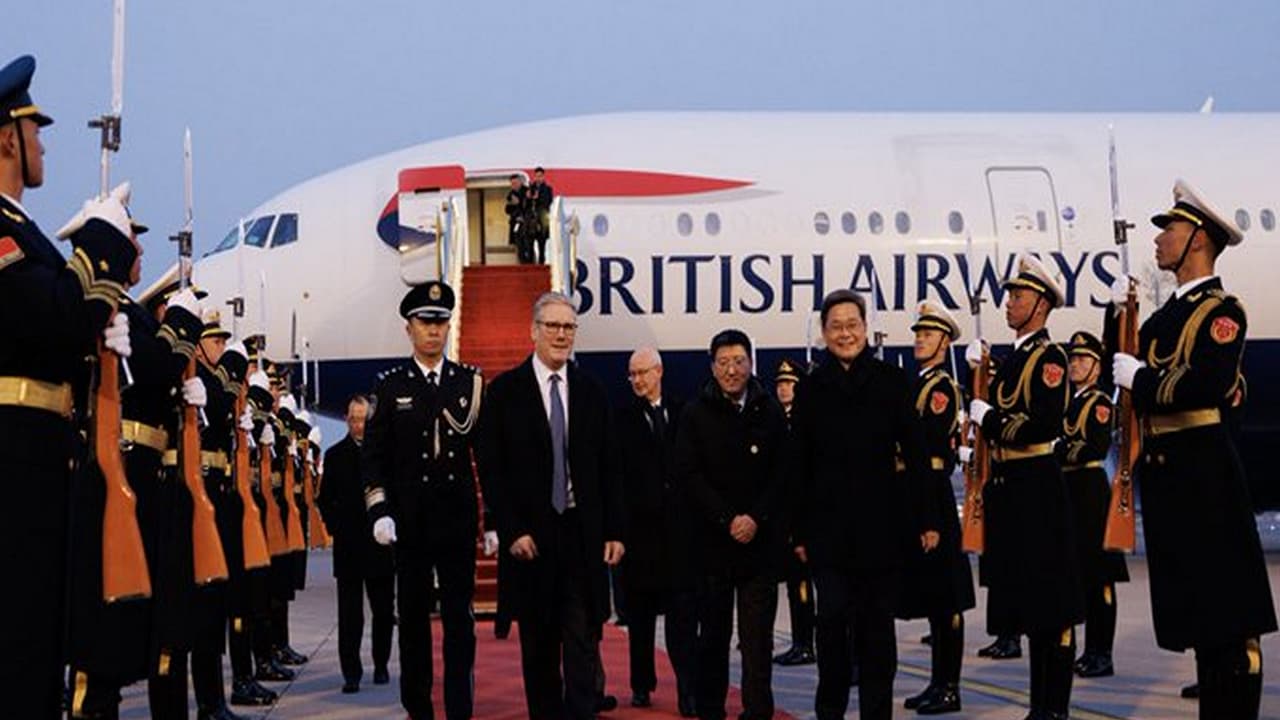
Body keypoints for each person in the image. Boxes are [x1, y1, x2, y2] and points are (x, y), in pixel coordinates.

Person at [0, 53, 140, 718]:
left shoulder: (23, 231)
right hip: (14, 460)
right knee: (20, 641)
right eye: (35, 132)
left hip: (39, 457)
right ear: (8, 138)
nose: (42, 145)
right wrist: (103, 244)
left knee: (40, 638)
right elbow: (54, 312)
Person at [1110, 180, 1276, 719]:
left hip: (1205, 477)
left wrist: (1143, 380)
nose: (1159, 240)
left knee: (1228, 623)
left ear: (1198, 241)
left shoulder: (1220, 312)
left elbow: (1207, 383)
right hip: (1171, 479)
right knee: (1202, 620)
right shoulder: (1163, 318)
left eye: (1170, 230)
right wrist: (1119, 322)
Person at [789, 290, 939, 720]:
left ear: (866, 328)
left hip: (881, 533)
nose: (845, 333)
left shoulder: (890, 383)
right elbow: (797, 465)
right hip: (828, 537)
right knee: (832, 629)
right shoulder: (813, 389)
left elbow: (916, 455)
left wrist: (927, 519)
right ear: (823, 333)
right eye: (835, 326)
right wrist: (798, 531)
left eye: (852, 324)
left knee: (878, 638)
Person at [477, 291, 625, 720]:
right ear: (533, 331)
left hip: (582, 534)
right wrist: (511, 529)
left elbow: (609, 466)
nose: (562, 335)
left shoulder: (592, 391)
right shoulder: (505, 392)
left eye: (569, 327)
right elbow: (493, 470)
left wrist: (615, 529)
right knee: (539, 649)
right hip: (532, 540)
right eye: (553, 326)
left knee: (582, 642)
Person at [967, 254, 1082, 720]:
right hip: (1012, 488)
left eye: (1017, 296)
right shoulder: (1018, 358)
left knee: (1050, 608)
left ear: (1040, 303)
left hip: (1037, 486)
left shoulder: (1050, 358)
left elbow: (1043, 424)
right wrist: (984, 374)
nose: (1008, 302)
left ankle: (1052, 708)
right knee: (1031, 607)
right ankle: (1040, 707)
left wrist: (988, 416)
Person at [363, 281, 484, 720]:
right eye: (425, 323)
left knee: (459, 623)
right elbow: (372, 458)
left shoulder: (469, 382)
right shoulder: (390, 386)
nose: (434, 331)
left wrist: (490, 522)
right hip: (410, 523)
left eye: (441, 322)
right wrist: (379, 509)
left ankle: (459, 709)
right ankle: (418, 708)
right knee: (412, 623)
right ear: (409, 328)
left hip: (455, 519)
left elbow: (483, 455)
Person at [677, 329, 788, 720]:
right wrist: (727, 519)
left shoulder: (769, 409)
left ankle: (758, 712)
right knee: (713, 639)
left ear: (751, 363)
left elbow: (782, 474)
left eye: (739, 361)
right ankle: (711, 710)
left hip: (760, 547)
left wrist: (756, 518)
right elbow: (689, 476)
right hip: (712, 547)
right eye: (723, 362)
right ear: (712, 366)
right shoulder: (695, 413)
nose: (731, 370)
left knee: (757, 643)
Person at [895, 301, 975, 716]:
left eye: (927, 335)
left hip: (933, 492)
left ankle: (949, 686)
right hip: (914, 490)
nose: (919, 340)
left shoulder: (941, 388)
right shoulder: (916, 384)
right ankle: (936, 681)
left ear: (944, 341)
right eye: (918, 333)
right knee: (932, 595)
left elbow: (923, 440)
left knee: (946, 597)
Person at [619, 347, 697, 715]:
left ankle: (687, 687)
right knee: (640, 620)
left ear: (659, 371)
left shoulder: (685, 412)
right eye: (632, 375)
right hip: (638, 539)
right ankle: (641, 683)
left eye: (643, 373)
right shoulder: (620, 418)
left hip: (680, 539)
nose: (637, 380)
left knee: (683, 619)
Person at [1058, 331, 1129, 680]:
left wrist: (1057, 449)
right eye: (1072, 359)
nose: (1075, 365)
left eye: (1083, 360)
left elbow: (1093, 447)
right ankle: (1089, 650)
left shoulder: (1099, 403)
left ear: (1097, 366)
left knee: (1099, 577)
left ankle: (1102, 652)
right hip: (1071, 490)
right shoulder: (1071, 402)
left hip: (1090, 491)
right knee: (1082, 576)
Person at [318, 394, 396, 694]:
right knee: (350, 616)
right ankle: (351, 672)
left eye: (362, 419)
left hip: (379, 545)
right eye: (352, 419)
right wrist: (337, 527)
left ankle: (380, 664)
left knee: (383, 610)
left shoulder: (384, 455)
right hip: (349, 546)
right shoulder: (336, 455)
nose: (356, 424)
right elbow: (324, 501)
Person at [771, 358, 816, 669]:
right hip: (784, 515)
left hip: (802, 515)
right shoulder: (777, 422)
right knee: (791, 582)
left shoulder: (804, 424)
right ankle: (800, 640)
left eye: (789, 383)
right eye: (780, 383)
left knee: (802, 582)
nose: (783, 388)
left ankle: (805, 643)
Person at [527, 167, 554, 264]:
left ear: (543, 177)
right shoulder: (530, 188)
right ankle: (530, 264)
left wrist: (537, 198)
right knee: (529, 243)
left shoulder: (548, 189)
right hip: (531, 219)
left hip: (542, 218)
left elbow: (548, 202)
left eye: (540, 176)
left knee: (541, 243)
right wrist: (529, 198)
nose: (538, 178)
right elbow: (526, 205)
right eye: (536, 176)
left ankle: (541, 262)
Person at [506, 174, 532, 263]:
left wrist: (520, 202)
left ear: (520, 182)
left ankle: (529, 261)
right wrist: (513, 204)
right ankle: (522, 263)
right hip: (516, 223)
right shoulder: (510, 195)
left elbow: (530, 207)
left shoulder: (527, 191)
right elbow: (507, 210)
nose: (514, 185)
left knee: (527, 243)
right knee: (518, 243)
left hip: (527, 223)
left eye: (515, 183)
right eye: (512, 184)